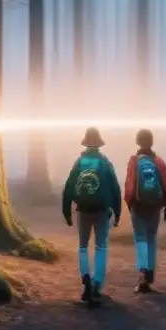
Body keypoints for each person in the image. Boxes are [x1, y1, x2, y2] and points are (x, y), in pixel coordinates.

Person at [63, 126, 121, 305]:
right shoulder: (105, 162)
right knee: (101, 247)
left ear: (85, 143)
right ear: (99, 144)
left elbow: (69, 187)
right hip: (102, 210)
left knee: (82, 246)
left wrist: (67, 211)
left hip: (83, 210)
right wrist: (117, 212)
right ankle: (97, 284)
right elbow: (115, 188)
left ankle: (85, 279)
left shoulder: (79, 162)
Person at [124, 128, 166, 293]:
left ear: (138, 142)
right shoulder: (159, 161)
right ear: (151, 142)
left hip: (138, 206)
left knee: (140, 239)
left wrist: (129, 203)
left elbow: (129, 185)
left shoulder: (134, 161)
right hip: (155, 206)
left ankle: (143, 276)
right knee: (151, 239)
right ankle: (150, 275)